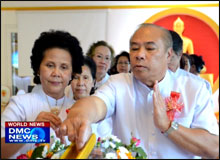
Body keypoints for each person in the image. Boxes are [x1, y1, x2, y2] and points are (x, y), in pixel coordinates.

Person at [59, 23, 219, 159]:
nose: (139, 55)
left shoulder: (194, 88)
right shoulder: (118, 83)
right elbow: (96, 103)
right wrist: (79, 115)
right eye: (134, 49)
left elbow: (214, 148)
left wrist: (168, 126)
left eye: (149, 48)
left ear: (168, 54)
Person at [1, 30, 84, 159]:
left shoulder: (78, 109)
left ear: (72, 73)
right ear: (38, 69)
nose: (56, 73)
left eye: (64, 67)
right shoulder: (20, 103)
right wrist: (34, 129)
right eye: (50, 65)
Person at [69, 56, 112, 138]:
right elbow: (41, 142)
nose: (80, 83)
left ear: (93, 82)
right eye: (76, 77)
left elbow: (108, 143)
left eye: (85, 78)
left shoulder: (101, 110)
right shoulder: (59, 107)